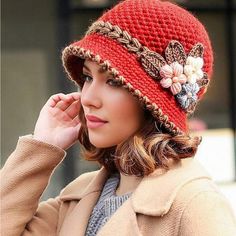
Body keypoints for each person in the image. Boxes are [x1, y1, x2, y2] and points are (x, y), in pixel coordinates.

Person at [1, 0, 236, 235]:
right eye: (87, 78)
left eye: (113, 81)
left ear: (152, 101)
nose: (87, 98)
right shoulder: (78, 198)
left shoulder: (195, 204)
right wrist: (42, 149)